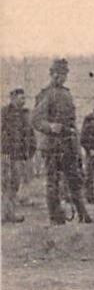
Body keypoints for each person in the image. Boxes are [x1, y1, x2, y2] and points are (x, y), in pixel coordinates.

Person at [31, 59, 92, 224]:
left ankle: (83, 214)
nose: (62, 77)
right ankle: (56, 218)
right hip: (53, 146)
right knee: (53, 182)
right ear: (52, 74)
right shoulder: (46, 94)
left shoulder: (66, 93)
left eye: (64, 74)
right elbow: (36, 120)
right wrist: (50, 127)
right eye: (58, 74)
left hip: (68, 144)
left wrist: (77, 143)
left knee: (75, 179)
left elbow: (72, 123)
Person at [3, 86, 35, 222]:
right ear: (13, 98)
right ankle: (6, 213)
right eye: (21, 98)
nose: (24, 100)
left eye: (24, 98)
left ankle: (9, 213)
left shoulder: (25, 114)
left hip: (20, 156)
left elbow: (30, 134)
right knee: (5, 184)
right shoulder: (4, 113)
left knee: (14, 184)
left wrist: (31, 150)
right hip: (6, 154)